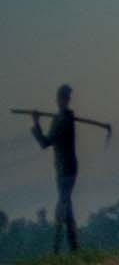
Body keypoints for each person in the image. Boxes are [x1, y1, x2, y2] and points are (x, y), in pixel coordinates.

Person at [28, 84, 81, 254]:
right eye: (62, 97)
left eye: (66, 98)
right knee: (67, 209)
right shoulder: (60, 119)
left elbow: (44, 143)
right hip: (61, 170)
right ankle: (74, 249)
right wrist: (37, 124)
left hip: (67, 171)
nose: (64, 100)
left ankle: (56, 249)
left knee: (62, 208)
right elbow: (46, 141)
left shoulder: (64, 120)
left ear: (66, 100)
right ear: (58, 99)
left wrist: (36, 123)